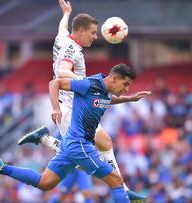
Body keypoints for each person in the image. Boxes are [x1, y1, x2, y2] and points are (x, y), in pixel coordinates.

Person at [18, 0, 147, 201]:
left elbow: (62, 28)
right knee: (79, 156)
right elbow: (62, 72)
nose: (95, 37)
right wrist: (90, 86)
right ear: (80, 32)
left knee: (103, 142)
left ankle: (123, 187)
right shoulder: (72, 50)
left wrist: (66, 13)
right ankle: (44, 138)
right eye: (93, 32)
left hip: (77, 103)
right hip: (70, 106)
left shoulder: (64, 38)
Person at [0, 64, 149, 203]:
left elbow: (107, 100)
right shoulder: (88, 84)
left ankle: (1, 167)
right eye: (125, 84)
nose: (126, 88)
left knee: (45, 183)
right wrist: (56, 108)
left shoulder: (104, 92)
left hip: (70, 144)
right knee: (116, 181)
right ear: (115, 78)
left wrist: (130, 98)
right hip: (80, 144)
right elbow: (55, 83)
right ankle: (43, 138)